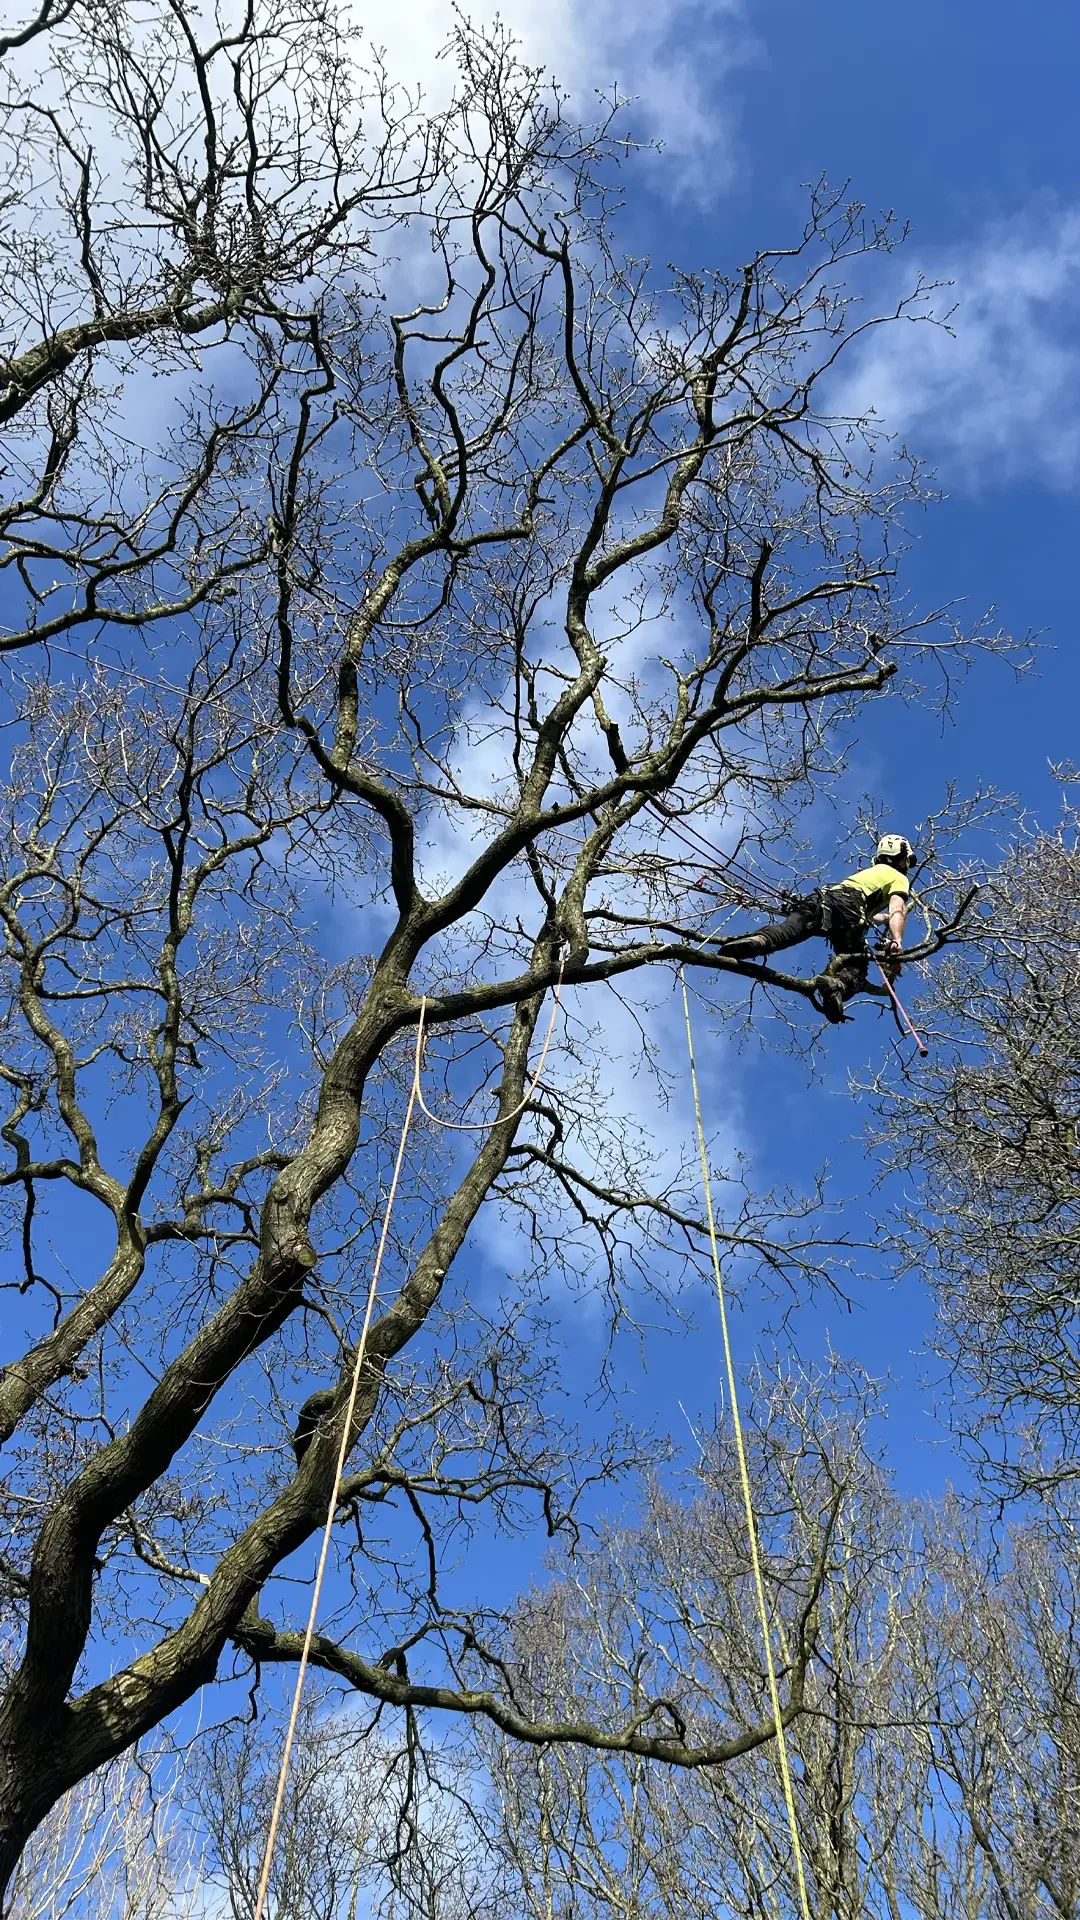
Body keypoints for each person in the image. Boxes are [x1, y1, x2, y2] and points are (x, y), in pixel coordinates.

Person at [719, 834, 914, 1024]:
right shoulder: (899, 878)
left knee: (789, 929)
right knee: (856, 966)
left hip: (824, 898)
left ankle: (758, 941)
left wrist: (886, 919)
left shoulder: (870, 874)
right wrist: (897, 941)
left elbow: (871, 914)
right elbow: (898, 908)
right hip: (850, 909)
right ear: (903, 855)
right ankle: (836, 985)